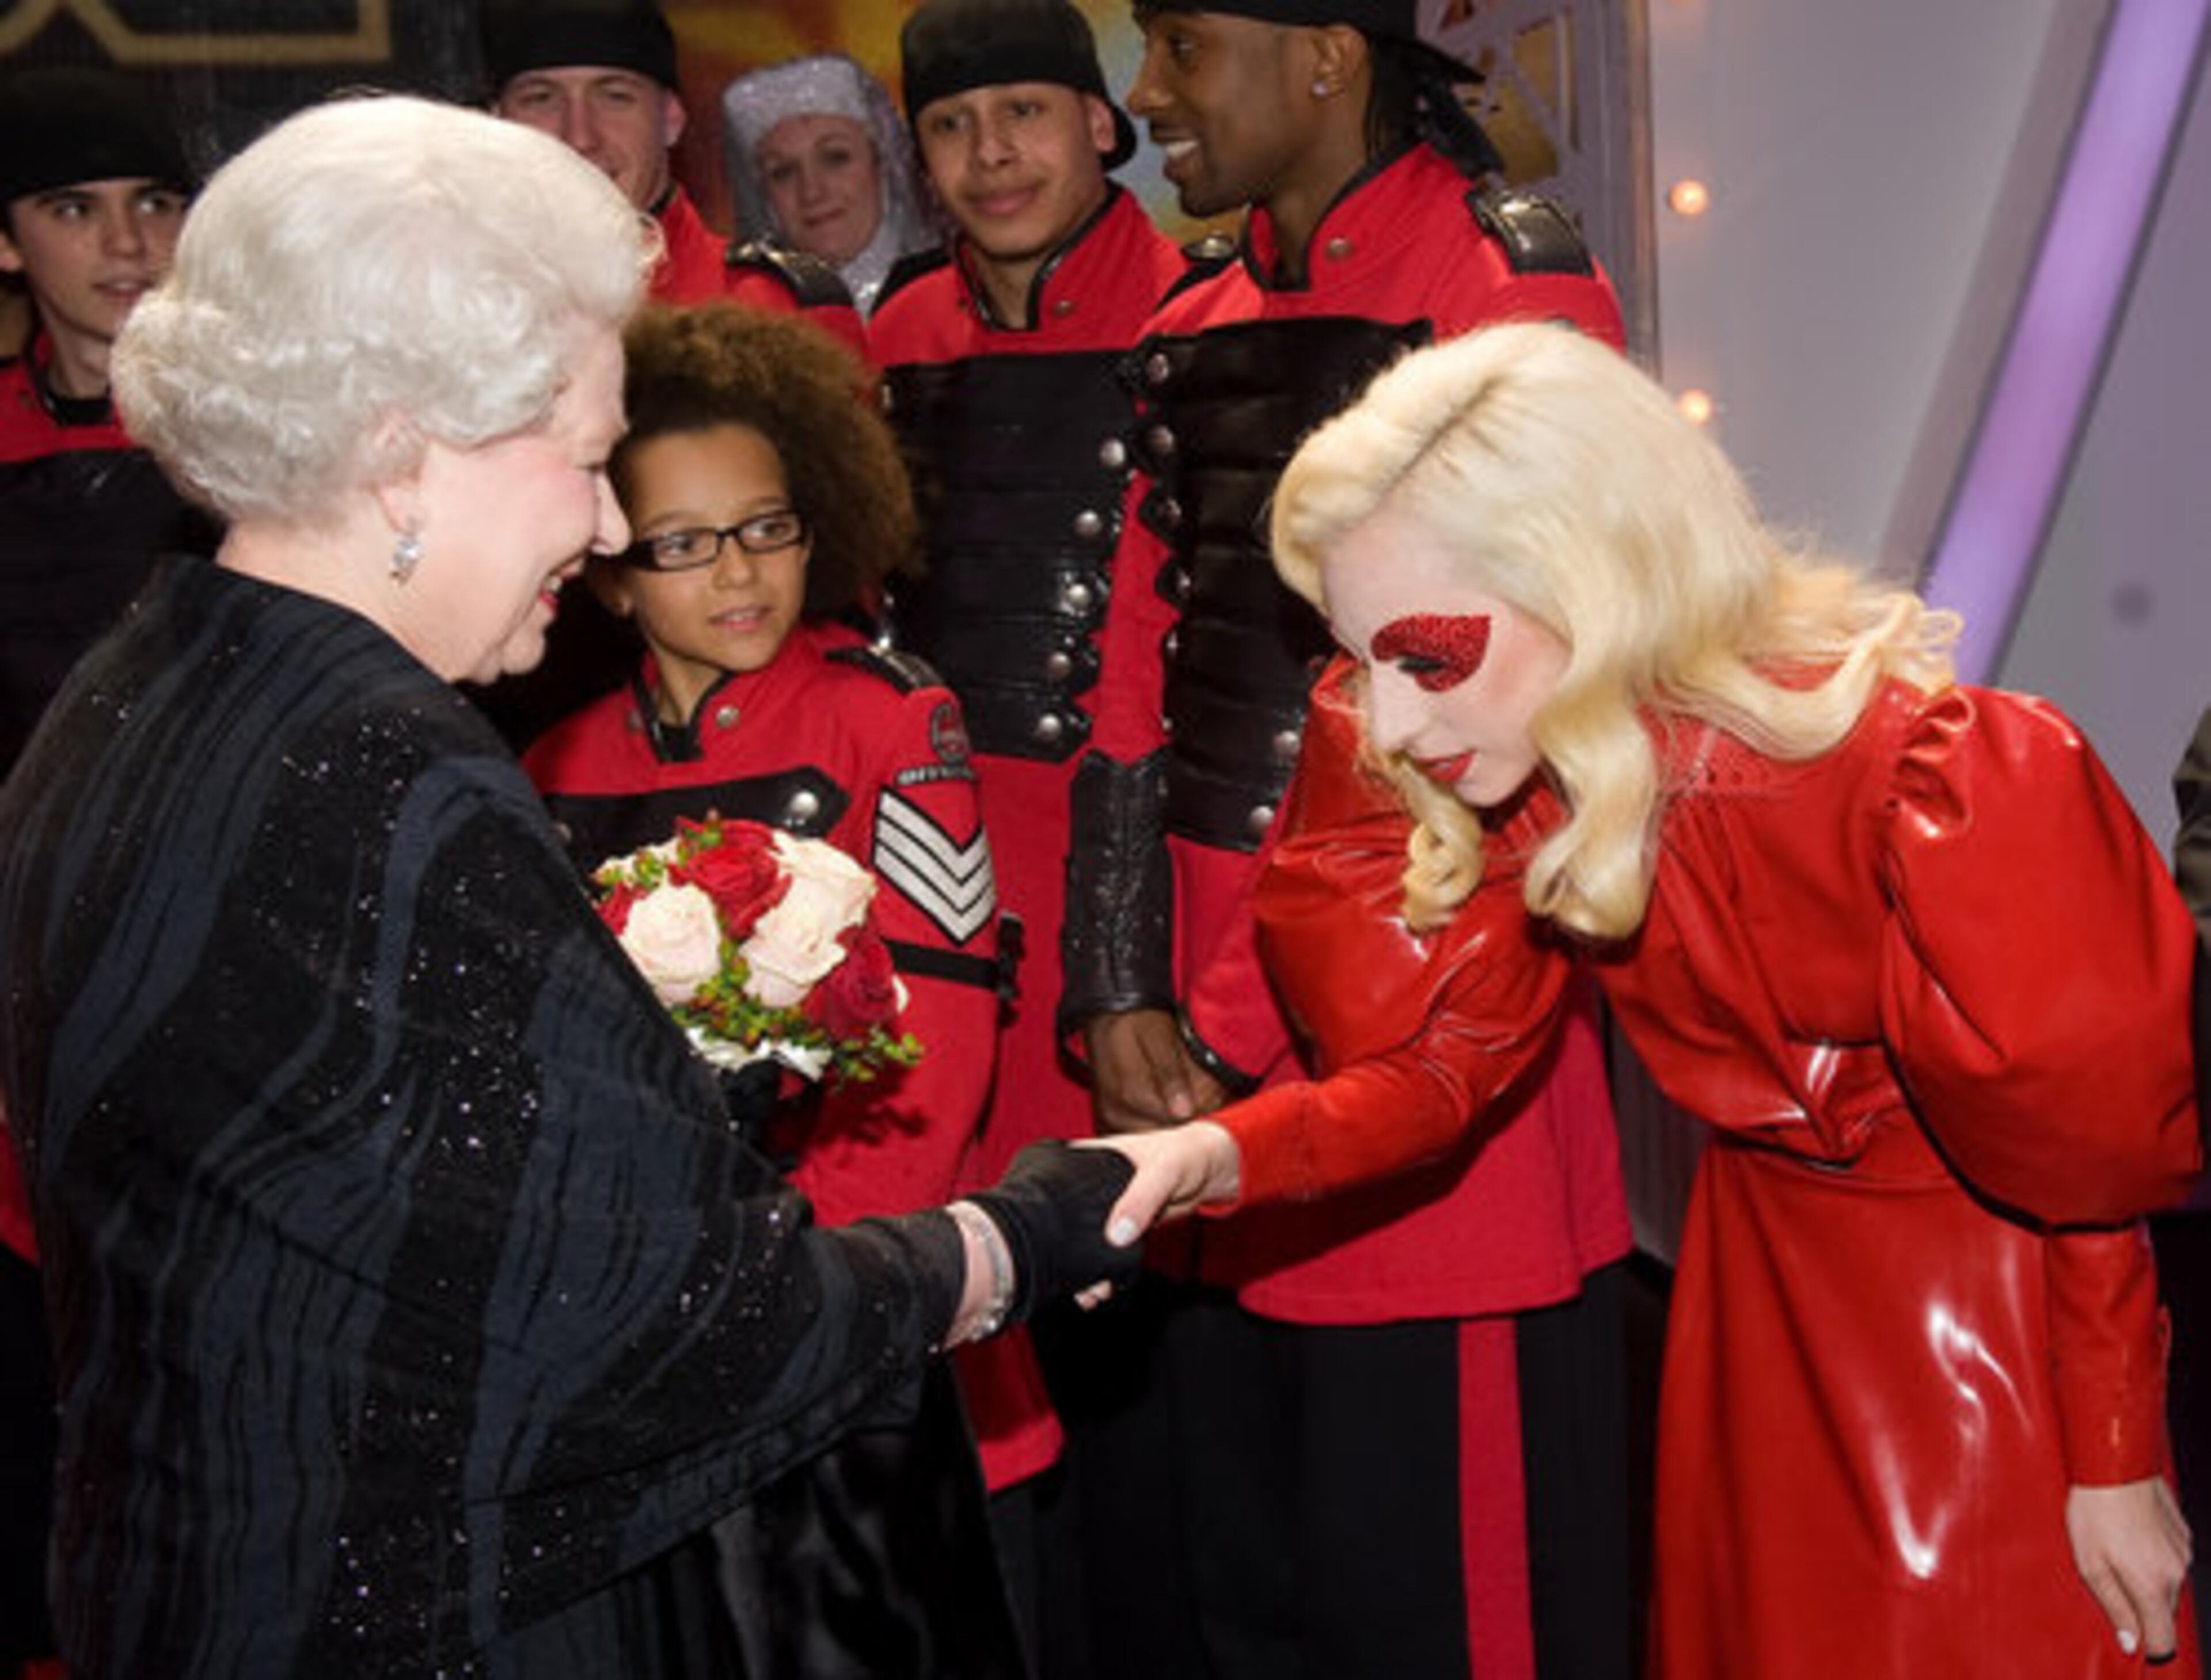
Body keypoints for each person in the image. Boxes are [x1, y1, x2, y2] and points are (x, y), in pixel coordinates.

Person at [0, 93, 1139, 1677]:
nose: (607, 524)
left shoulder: (143, 682)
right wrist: (1012, 1239)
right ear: (407, 454)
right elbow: (681, 1335)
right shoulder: (396, 779)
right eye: (592, 458)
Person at [1108, 321, 2205, 1675]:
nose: (1382, 721)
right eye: (1358, 659)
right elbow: (1441, 1069)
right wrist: (1213, 1151)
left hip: (1980, 1307)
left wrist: (2110, 1451)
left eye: (1423, 655)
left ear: (1591, 580)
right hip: (1750, 1289)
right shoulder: (1552, 783)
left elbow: (2081, 1164)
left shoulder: (1934, 774)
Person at [1053, 1, 1635, 1670]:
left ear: (1325, 51)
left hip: (1421, 1046)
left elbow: (1544, 709)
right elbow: (1132, 678)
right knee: (1250, 1599)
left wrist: (1236, 1009)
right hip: (1211, 1064)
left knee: (1442, 1614)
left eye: (1179, 41)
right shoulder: (1199, 301)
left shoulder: (1506, 289)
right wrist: (1115, 980)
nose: (1144, 90)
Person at [864, 2, 1192, 1664]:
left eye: (1025, 115)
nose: (991, 157)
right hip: (933, 885)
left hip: (1124, 881)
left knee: (1135, 1317)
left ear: (1100, 121)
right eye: (952, 126)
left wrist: (1134, 956)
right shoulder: (895, 334)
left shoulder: (1199, 317)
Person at [0, 65, 203, 1680]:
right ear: (10, 244)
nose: (123, 243)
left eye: (152, 203)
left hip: (226, 990)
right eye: (75, 210)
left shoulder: (255, 450)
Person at [723, 54, 937, 318]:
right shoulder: (754, 329)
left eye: (835, 158)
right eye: (783, 172)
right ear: (764, 199)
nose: (812, 192)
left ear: (882, 164)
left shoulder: (961, 301)